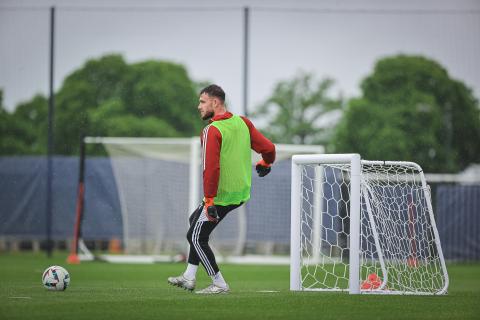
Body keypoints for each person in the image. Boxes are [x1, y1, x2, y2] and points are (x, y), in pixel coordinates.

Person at [168, 84, 276, 294]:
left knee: (196, 237)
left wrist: (209, 200)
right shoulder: (242, 122)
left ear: (215, 102)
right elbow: (269, 149)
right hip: (240, 193)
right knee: (194, 222)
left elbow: (210, 168)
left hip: (220, 197)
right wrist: (266, 162)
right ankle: (189, 276)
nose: (198, 106)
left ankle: (219, 283)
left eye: (202, 101)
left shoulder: (211, 130)